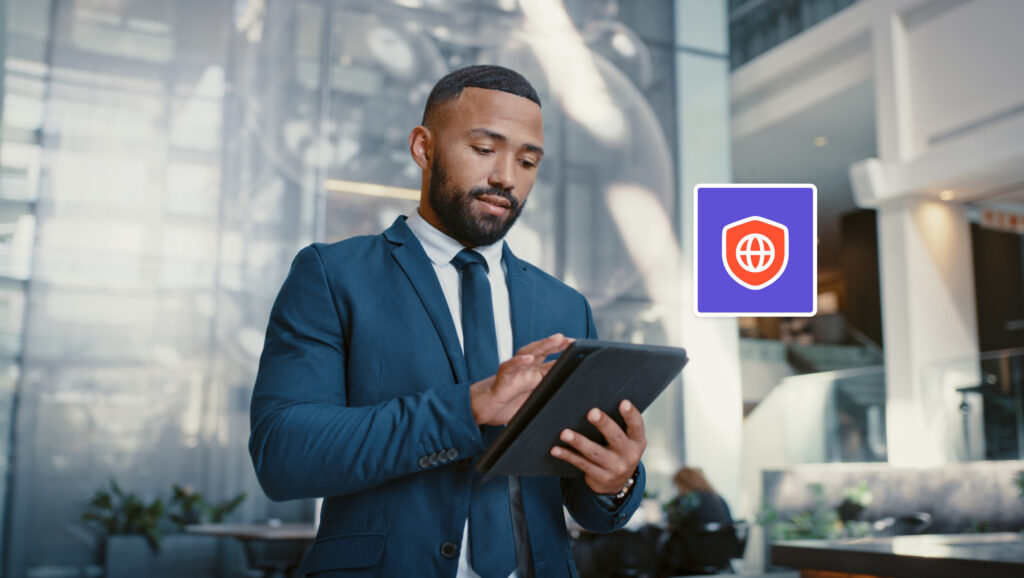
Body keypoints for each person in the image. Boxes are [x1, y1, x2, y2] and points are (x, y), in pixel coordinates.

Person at [249, 65, 647, 578]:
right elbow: (284, 454)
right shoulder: (333, 275)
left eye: (527, 161)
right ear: (423, 147)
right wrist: (469, 406)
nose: (506, 176)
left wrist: (614, 478)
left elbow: (585, 503)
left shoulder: (566, 307)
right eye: (484, 149)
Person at [660, 467, 737, 576]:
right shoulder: (719, 498)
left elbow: (672, 521)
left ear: (683, 483)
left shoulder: (690, 498)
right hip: (721, 556)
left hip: (693, 557)